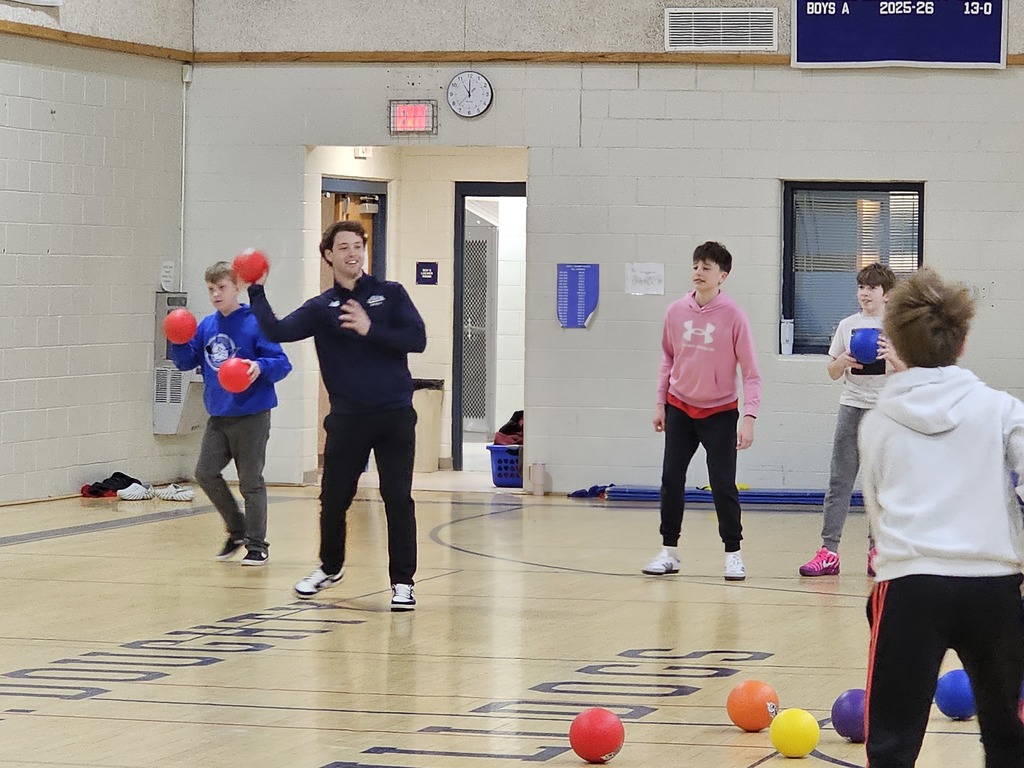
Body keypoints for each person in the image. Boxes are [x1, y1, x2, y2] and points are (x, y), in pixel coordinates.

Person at [860, 268, 1024, 767]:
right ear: (964, 341)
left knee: (891, 742)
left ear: (897, 349)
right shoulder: (1002, 409)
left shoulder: (876, 422)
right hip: (995, 587)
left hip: (910, 588)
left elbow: (878, 511)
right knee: (1009, 737)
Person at [247, 220, 426, 611]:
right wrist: (256, 289)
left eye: (357, 246)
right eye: (343, 247)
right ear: (328, 255)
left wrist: (370, 328)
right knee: (332, 499)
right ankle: (330, 567)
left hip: (395, 414)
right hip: (348, 417)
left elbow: (417, 339)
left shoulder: (390, 294)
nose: (352, 253)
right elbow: (277, 331)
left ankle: (403, 582)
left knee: (397, 498)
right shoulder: (320, 308)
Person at [642, 241, 761, 581]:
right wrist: (659, 403)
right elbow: (668, 358)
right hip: (679, 405)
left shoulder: (734, 316)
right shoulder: (675, 312)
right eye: (695, 266)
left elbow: (751, 373)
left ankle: (733, 554)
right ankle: (669, 551)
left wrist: (748, 419)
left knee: (722, 483)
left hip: (721, 412)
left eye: (706, 267)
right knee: (670, 478)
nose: (698, 272)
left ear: (723, 276)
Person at [169, 261, 292, 565]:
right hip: (219, 415)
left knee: (250, 480)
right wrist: (178, 339)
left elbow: (281, 363)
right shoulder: (208, 325)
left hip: (252, 414)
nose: (216, 294)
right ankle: (237, 531)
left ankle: (257, 544)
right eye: (211, 289)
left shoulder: (256, 322)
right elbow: (185, 362)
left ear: (237, 287)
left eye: (222, 287)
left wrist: (259, 366)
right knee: (205, 472)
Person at [798, 263, 902, 577]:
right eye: (861, 287)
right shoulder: (847, 325)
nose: (865, 293)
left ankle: (877, 550)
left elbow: (910, 369)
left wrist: (892, 357)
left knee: (881, 483)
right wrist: (841, 361)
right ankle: (829, 551)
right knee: (839, 481)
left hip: (885, 411)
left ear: (887, 294)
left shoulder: (898, 327)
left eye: (871, 288)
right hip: (851, 406)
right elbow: (831, 372)